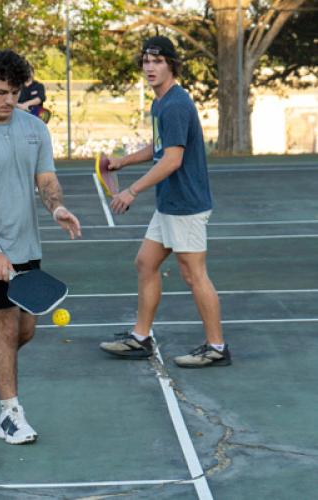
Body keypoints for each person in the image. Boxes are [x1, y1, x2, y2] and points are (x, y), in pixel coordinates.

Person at [0, 48, 81, 445]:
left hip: (26, 246)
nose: (10, 100)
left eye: (15, 92)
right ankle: (10, 416)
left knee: (26, 331)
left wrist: (56, 207)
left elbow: (46, 179)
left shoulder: (34, 129)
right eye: (2, 91)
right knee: (5, 328)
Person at [99, 36, 230, 368]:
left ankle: (216, 347)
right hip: (170, 203)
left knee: (193, 274)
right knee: (145, 263)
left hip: (186, 204)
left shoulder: (175, 104)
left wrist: (131, 191)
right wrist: (120, 163)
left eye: (157, 61)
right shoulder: (160, 103)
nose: (149, 67)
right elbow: (158, 148)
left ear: (171, 64)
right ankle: (140, 338)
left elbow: (171, 160)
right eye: (145, 61)